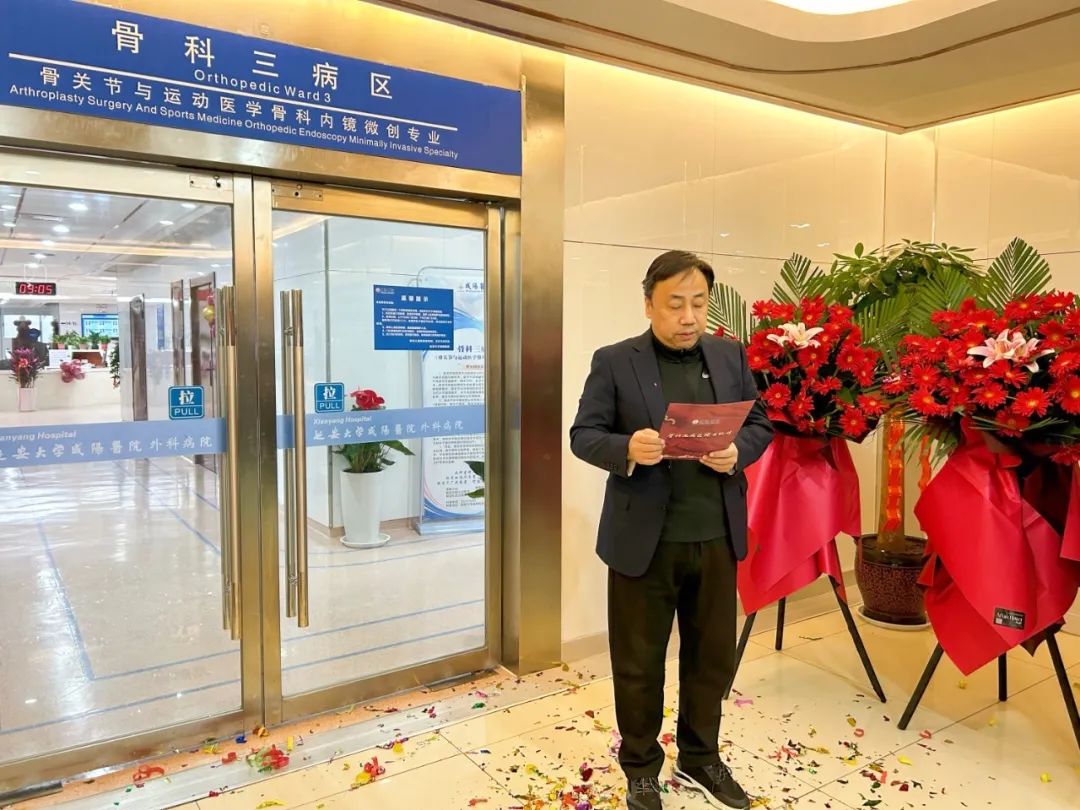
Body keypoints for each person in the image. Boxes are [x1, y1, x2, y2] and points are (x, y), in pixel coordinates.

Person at [570, 250, 773, 810]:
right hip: (644, 543)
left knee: (711, 659)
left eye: (699, 304)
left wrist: (738, 452)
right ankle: (640, 768)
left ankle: (701, 757)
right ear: (648, 305)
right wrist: (626, 448)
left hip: (716, 536)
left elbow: (760, 423)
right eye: (675, 304)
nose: (689, 317)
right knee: (638, 663)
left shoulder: (730, 355)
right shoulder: (616, 361)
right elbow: (583, 434)